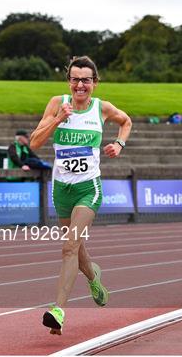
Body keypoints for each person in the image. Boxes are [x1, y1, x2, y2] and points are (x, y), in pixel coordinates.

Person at [29, 56, 132, 335]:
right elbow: (35, 142)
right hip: (62, 189)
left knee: (69, 247)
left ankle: (58, 311)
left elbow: (127, 121)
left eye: (86, 79)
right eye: (75, 79)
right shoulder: (56, 103)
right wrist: (59, 119)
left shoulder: (102, 108)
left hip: (89, 188)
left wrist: (119, 144)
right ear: (69, 82)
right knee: (77, 249)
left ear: (95, 84)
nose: (80, 85)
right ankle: (93, 278)